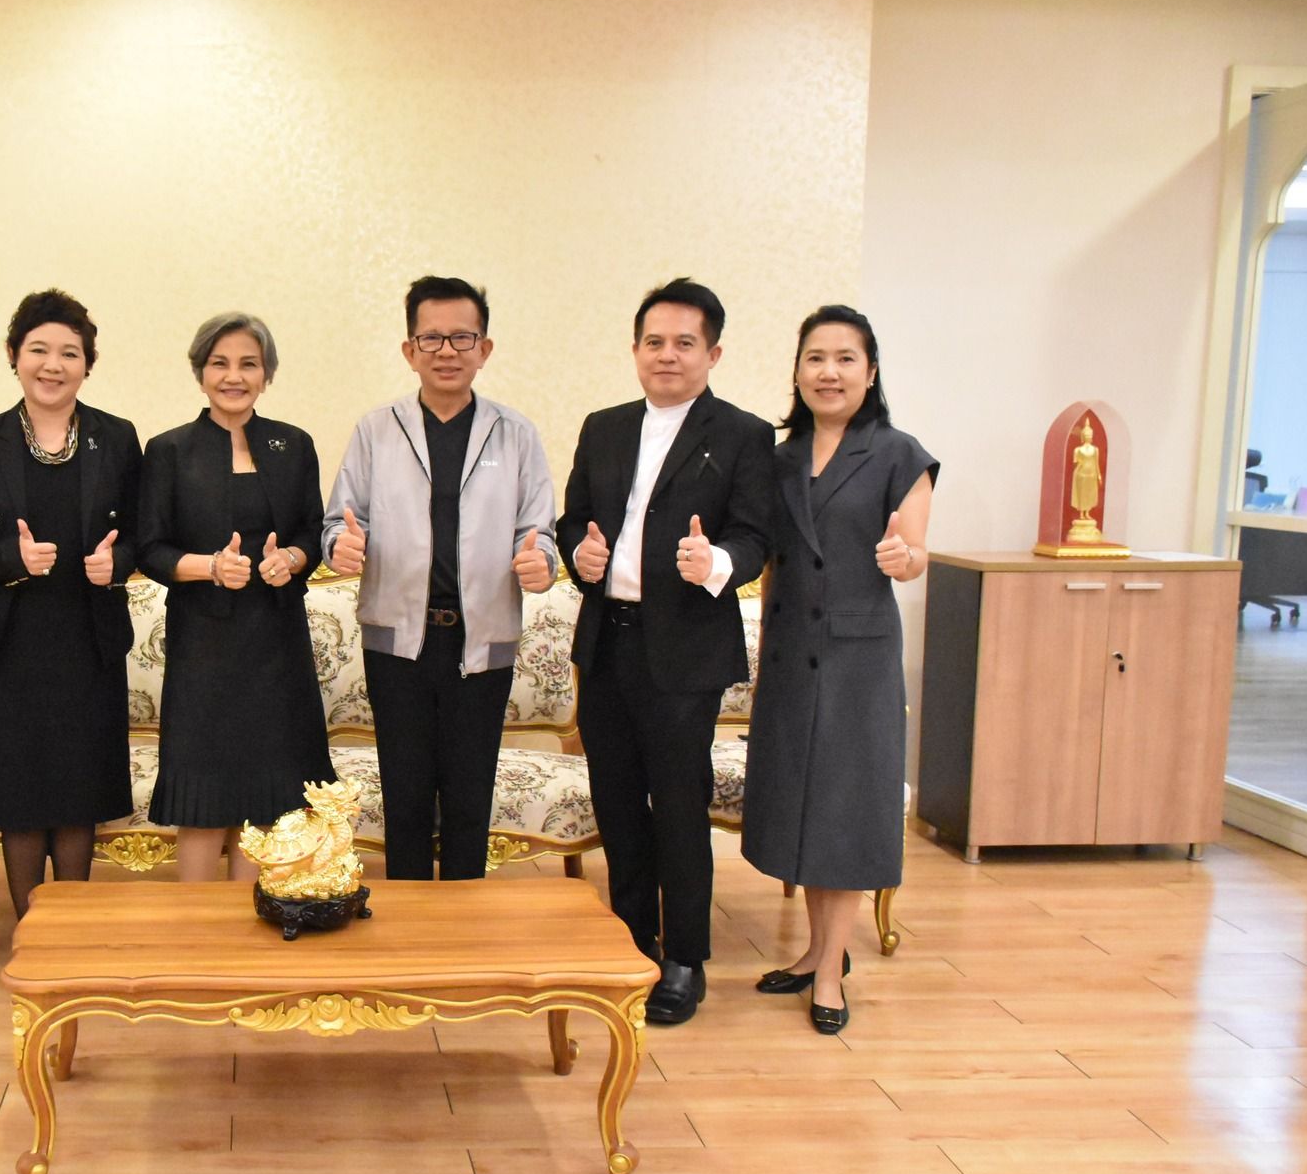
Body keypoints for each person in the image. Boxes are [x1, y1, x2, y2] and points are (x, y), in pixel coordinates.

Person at [556, 277, 774, 1025]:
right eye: (654, 342)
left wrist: (717, 562)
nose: (668, 355)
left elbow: (756, 535)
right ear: (635, 349)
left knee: (679, 806)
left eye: (685, 343)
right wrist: (579, 553)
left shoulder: (743, 434)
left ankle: (684, 957)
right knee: (617, 803)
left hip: (685, 651)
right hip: (607, 643)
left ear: (713, 353)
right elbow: (575, 520)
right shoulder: (604, 427)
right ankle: (630, 941)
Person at [322, 275, 557, 881]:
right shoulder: (377, 429)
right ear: (409, 350)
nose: (446, 351)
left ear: (485, 348)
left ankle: (463, 918)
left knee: (469, 796)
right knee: (404, 794)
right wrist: (340, 546)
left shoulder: (516, 433)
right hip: (397, 640)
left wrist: (540, 563)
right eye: (431, 338)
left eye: (462, 337)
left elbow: (538, 531)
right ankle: (407, 919)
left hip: (482, 640)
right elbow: (340, 520)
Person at [742, 305, 936, 1034]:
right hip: (791, 656)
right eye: (815, 357)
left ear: (871, 371)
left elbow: (915, 554)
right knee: (803, 806)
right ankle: (816, 950)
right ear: (798, 370)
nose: (829, 371)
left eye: (845, 358)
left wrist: (903, 558)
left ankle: (829, 971)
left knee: (845, 809)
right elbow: (764, 556)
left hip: (859, 660)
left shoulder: (899, 454)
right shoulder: (779, 457)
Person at [0, 289, 140, 921]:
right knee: (23, 797)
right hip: (13, 646)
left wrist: (118, 563)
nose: (53, 365)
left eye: (69, 353)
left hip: (89, 641)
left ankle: (72, 933)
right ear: (13, 355)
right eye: (39, 350)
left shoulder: (117, 438)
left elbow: (142, 536)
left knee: (78, 792)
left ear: (87, 364)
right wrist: (13, 559)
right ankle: (30, 932)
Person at [139, 313, 334, 881]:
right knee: (202, 798)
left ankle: (253, 926)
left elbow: (311, 531)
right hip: (204, 647)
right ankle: (200, 927)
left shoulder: (293, 445)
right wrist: (210, 567)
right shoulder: (169, 450)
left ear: (266, 374)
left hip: (276, 643)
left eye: (249, 364)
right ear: (200, 372)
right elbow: (149, 548)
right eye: (219, 363)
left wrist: (290, 559)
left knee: (269, 803)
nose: (234, 376)